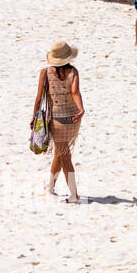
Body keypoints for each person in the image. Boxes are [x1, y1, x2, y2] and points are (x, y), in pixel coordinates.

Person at [34, 42, 84, 202]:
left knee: (65, 156)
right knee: (60, 152)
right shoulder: (73, 71)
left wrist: (34, 117)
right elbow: (75, 92)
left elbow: (39, 97)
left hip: (57, 120)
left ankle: (74, 195)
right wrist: (81, 109)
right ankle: (50, 186)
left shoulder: (45, 72)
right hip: (74, 119)